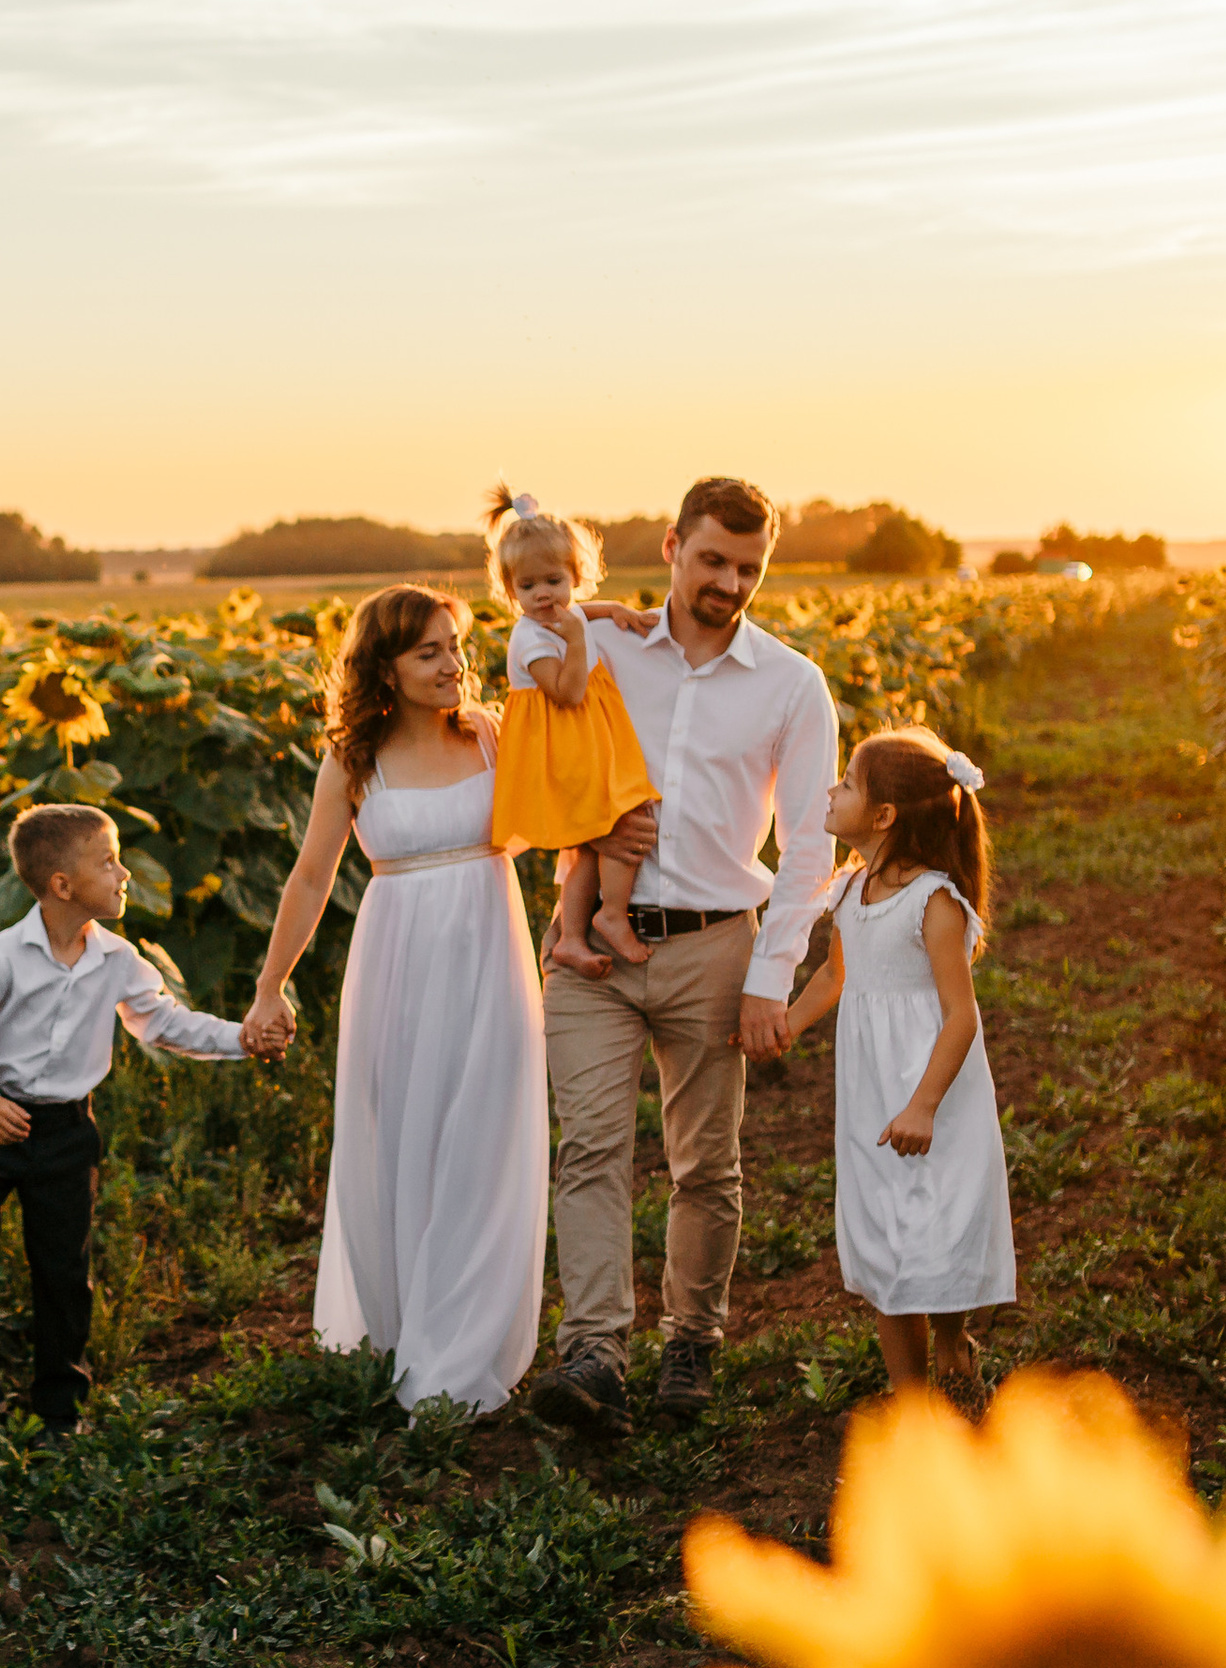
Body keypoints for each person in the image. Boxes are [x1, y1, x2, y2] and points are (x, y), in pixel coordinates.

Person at [243, 585, 624, 1412]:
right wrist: (271, 986)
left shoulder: (491, 735)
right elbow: (311, 878)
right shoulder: (353, 760)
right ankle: (406, 1331)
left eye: (455, 646)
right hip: (395, 966)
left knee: (482, 1147)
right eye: (429, 652)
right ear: (385, 666)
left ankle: (459, 1356)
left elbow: (556, 811)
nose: (453, 663)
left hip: (491, 955)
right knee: (402, 1141)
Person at [528, 478, 840, 1438]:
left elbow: (811, 851)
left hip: (716, 943)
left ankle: (691, 1341)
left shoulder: (791, 683)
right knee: (587, 1149)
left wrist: (768, 978)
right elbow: (526, 663)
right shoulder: (605, 643)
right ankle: (596, 1352)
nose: (730, 583)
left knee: (706, 1161)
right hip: (594, 952)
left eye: (749, 568)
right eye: (713, 561)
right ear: (671, 546)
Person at [0, 803, 274, 1435]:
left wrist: (242, 1038)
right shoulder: (3, 958)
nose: (123, 874)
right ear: (62, 885)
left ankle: (61, 1405)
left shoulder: (118, 960)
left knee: (61, 1267)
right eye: (108, 861)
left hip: (64, 1133)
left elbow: (165, 1024)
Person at [783, 728, 1014, 1398]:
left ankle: (951, 1343)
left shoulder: (933, 899)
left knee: (935, 1221)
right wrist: (784, 1026)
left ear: (883, 816)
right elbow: (834, 977)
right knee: (883, 1225)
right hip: (870, 1086)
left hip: (931, 1081)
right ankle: (911, 1397)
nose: (833, 790)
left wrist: (923, 1104)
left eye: (848, 782)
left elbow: (961, 1013)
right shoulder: (850, 890)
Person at [482, 487, 660, 976]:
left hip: (585, 742)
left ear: (575, 578)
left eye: (554, 581)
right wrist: (580, 637)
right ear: (509, 589)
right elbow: (567, 693)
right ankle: (611, 915)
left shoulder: (567, 613)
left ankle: (575, 936)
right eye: (528, 585)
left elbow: (586, 610)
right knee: (620, 817)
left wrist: (615, 610)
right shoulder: (530, 637)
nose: (543, 595)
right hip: (563, 748)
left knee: (591, 841)